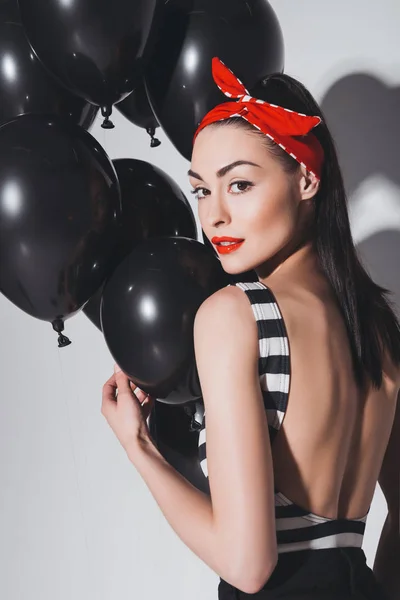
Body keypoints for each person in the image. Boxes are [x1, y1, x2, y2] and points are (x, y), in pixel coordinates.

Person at [101, 57, 400, 599]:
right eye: (200, 190)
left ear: (307, 178)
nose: (212, 216)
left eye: (238, 185)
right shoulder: (379, 329)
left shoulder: (235, 315)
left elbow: (248, 564)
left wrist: (138, 446)